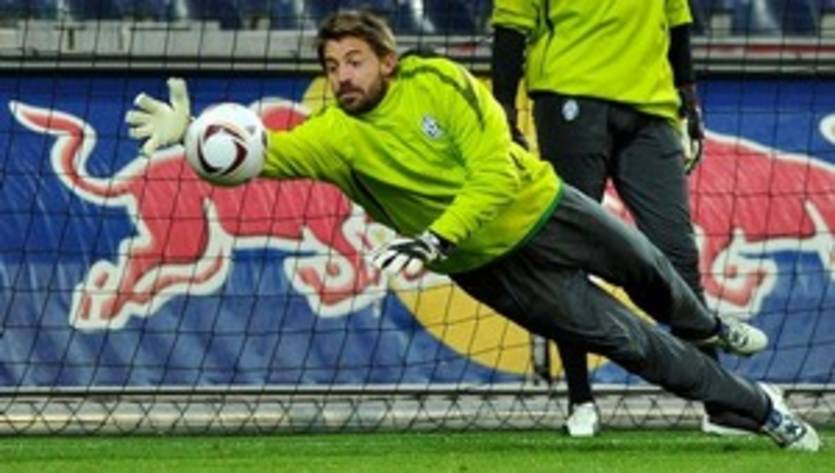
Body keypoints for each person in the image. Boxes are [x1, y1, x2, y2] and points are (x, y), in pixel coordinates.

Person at [124, 10, 819, 452]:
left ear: (388, 61)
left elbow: (493, 170)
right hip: (493, 270)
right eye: (331, 67)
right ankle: (762, 411)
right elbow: (260, 158)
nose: (341, 78)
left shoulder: (440, 82)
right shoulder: (332, 138)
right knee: (631, 343)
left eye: (354, 62)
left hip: (543, 207)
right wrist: (192, 135)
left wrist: (435, 238)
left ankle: (708, 325)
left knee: (650, 266)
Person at [489, 0, 733, 437]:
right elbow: (511, 23)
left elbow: (676, 20)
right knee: (568, 250)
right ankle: (580, 400)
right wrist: (503, 107)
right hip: (570, 94)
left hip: (653, 107)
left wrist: (688, 99)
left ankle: (721, 402)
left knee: (677, 251)